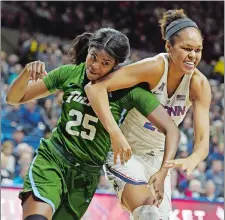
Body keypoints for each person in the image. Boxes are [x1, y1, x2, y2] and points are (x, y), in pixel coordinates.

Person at [6, 27, 180, 220]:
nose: (95, 66)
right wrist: (26, 73)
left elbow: (172, 129)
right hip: (54, 159)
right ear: (88, 51)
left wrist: (164, 171)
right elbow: (14, 98)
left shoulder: (129, 91)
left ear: (116, 66)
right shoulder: (70, 73)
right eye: (93, 57)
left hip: (86, 175)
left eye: (105, 63)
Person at [85, 9, 211, 220]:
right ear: (168, 47)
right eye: (187, 48)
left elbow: (202, 142)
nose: (193, 55)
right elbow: (95, 88)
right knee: (147, 212)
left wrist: (193, 158)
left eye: (198, 50)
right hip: (126, 151)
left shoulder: (199, 84)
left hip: (159, 159)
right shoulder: (153, 67)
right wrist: (115, 134)